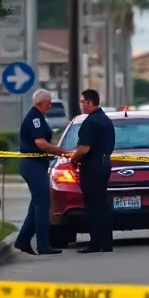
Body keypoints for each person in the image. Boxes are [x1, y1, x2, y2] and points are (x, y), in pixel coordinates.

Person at [15, 89, 69, 256]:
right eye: (48, 102)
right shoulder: (35, 119)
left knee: (37, 203)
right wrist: (61, 151)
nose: (50, 105)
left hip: (37, 164)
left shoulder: (38, 117)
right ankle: (43, 244)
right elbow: (41, 144)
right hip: (32, 164)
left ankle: (23, 240)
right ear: (39, 103)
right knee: (43, 202)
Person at [69, 88, 116, 254]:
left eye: (83, 102)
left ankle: (95, 242)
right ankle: (106, 241)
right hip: (104, 163)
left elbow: (83, 148)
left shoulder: (91, 122)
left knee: (92, 204)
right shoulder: (105, 120)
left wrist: (73, 159)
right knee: (102, 203)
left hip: (92, 165)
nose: (81, 105)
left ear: (89, 102)